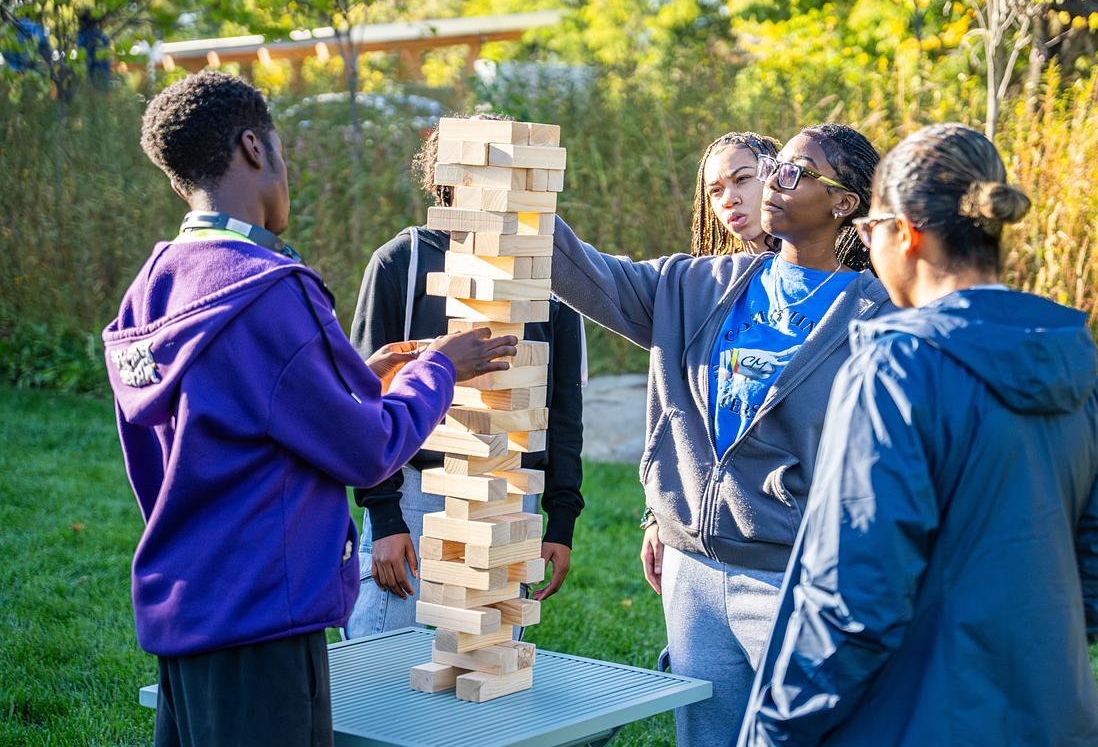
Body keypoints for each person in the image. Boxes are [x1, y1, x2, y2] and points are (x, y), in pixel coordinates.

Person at [103, 71, 516, 747]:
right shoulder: (265, 289)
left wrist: (358, 379)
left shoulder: (152, 286)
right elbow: (367, 450)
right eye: (283, 149)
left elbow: (231, 417)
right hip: (264, 617)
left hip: (189, 604)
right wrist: (442, 369)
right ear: (253, 148)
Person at [740, 123, 1098, 746]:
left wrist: (774, 729)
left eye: (870, 230)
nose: (869, 246)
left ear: (905, 232)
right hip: (1052, 717)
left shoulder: (896, 367)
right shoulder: (1075, 364)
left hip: (915, 721)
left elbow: (853, 595)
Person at [551, 123, 893, 747]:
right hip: (692, 573)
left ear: (844, 203)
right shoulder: (691, 286)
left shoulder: (879, 317)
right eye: (775, 166)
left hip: (795, 577)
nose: (772, 181)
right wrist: (514, 179)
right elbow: (580, 273)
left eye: (794, 171)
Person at [344, 115, 586, 638]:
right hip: (415, 495)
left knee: (483, 670)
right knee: (384, 674)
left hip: (509, 493)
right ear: (446, 175)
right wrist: (386, 519)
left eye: (511, 169)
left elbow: (563, 410)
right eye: (483, 167)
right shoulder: (400, 263)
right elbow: (364, 399)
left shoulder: (548, 277)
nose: (499, 184)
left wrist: (559, 520)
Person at [690, 131, 781, 256]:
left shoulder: (812, 264)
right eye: (715, 190)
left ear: (773, 176)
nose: (727, 200)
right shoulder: (719, 273)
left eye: (742, 179)